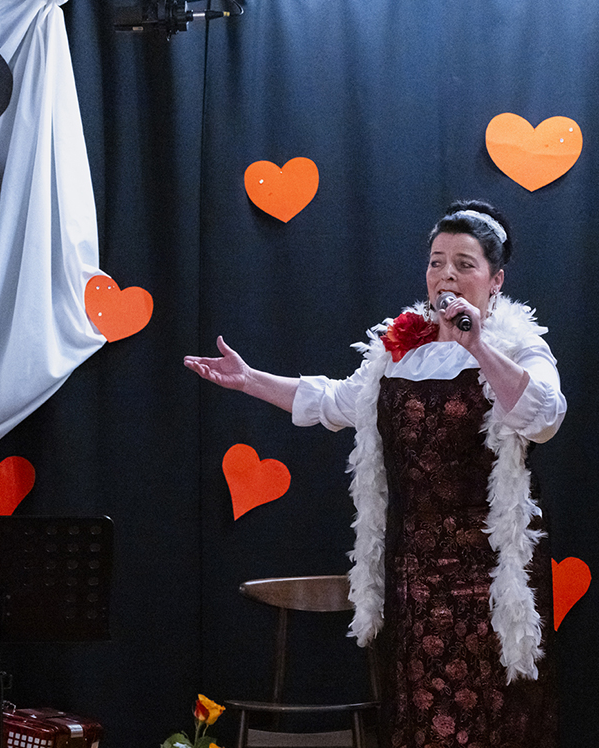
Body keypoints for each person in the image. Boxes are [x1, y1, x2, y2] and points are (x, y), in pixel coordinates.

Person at [184, 200, 565, 748]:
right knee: (422, 717)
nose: (446, 275)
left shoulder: (518, 345)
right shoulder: (399, 350)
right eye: (436, 262)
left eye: (464, 264)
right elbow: (335, 402)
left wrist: (477, 344)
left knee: (491, 717)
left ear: (495, 280)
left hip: (490, 571)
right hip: (414, 570)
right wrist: (250, 380)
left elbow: (544, 418)